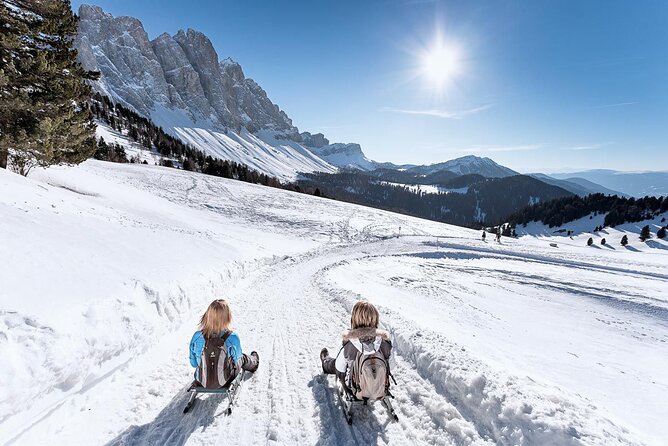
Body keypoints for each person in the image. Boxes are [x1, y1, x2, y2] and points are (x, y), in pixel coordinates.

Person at [320, 301, 392, 392]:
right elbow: (391, 365)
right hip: (380, 385)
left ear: (354, 319)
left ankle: (326, 362)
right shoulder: (384, 341)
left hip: (355, 387)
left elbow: (340, 367)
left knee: (337, 363)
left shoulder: (351, 342)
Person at [189, 299, 259, 387]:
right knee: (242, 358)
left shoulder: (197, 336)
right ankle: (254, 362)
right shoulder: (232, 337)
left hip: (201, 379)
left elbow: (193, 364)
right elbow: (237, 359)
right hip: (226, 380)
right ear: (227, 317)